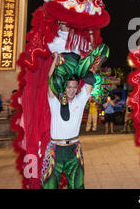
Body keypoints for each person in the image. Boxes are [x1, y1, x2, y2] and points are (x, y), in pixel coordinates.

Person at [41, 52, 94, 189]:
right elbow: (50, 79)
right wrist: (55, 61)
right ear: (64, 86)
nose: (71, 90)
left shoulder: (80, 100)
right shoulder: (55, 101)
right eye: (69, 87)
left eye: (74, 87)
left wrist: (85, 63)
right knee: (49, 186)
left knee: (77, 186)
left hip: (74, 149)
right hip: (55, 150)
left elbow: (89, 83)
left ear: (77, 88)